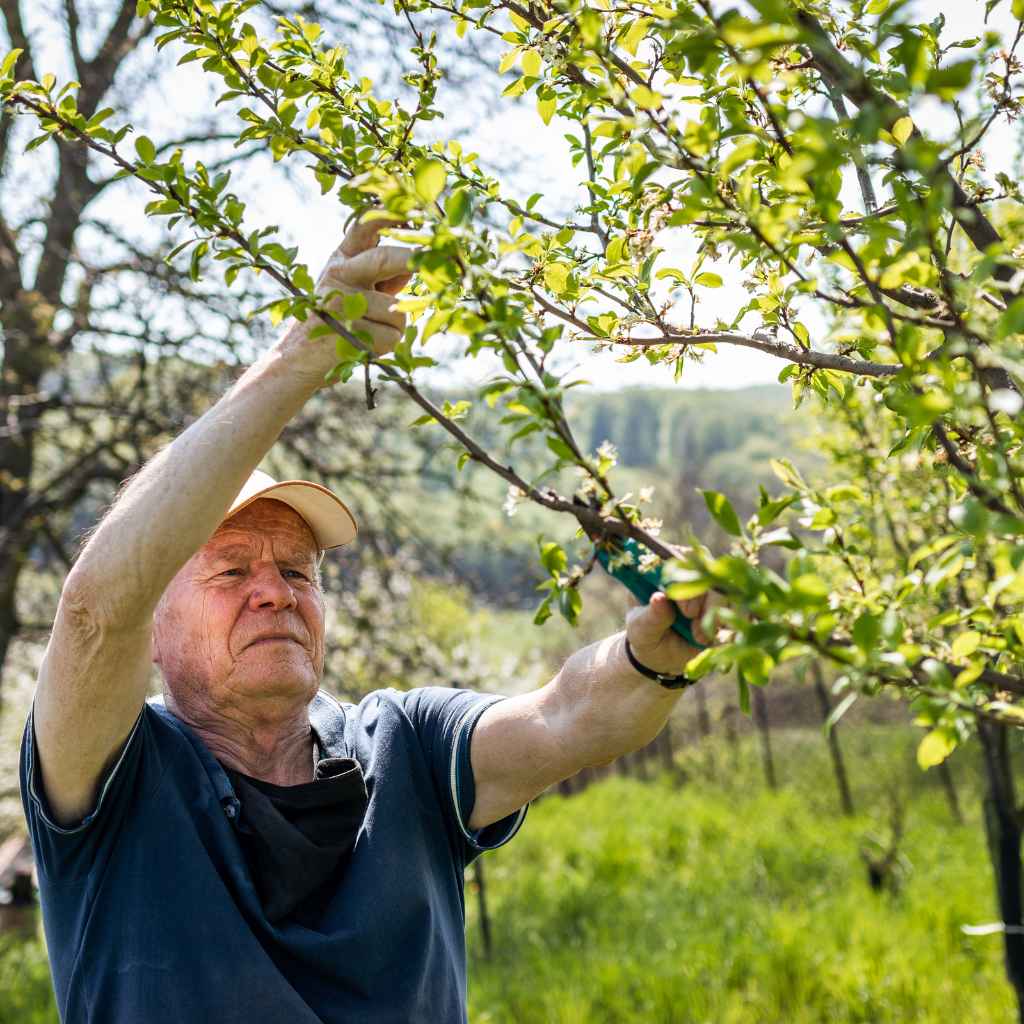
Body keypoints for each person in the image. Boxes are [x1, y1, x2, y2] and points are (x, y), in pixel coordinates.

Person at [20, 219, 715, 1024]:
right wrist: (305, 354)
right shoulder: (115, 775)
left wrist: (650, 658)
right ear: (157, 612)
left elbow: (570, 715)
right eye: (233, 570)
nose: (275, 592)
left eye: (296, 570)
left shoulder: (408, 748)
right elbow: (95, 611)